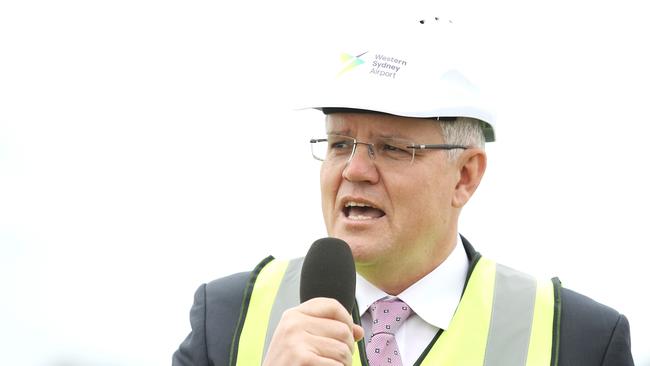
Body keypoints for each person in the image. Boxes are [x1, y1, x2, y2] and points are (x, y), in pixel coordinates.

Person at [172, 19, 634, 366]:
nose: (354, 169)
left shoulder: (579, 338)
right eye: (339, 144)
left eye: (391, 149)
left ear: (465, 176)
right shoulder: (227, 316)